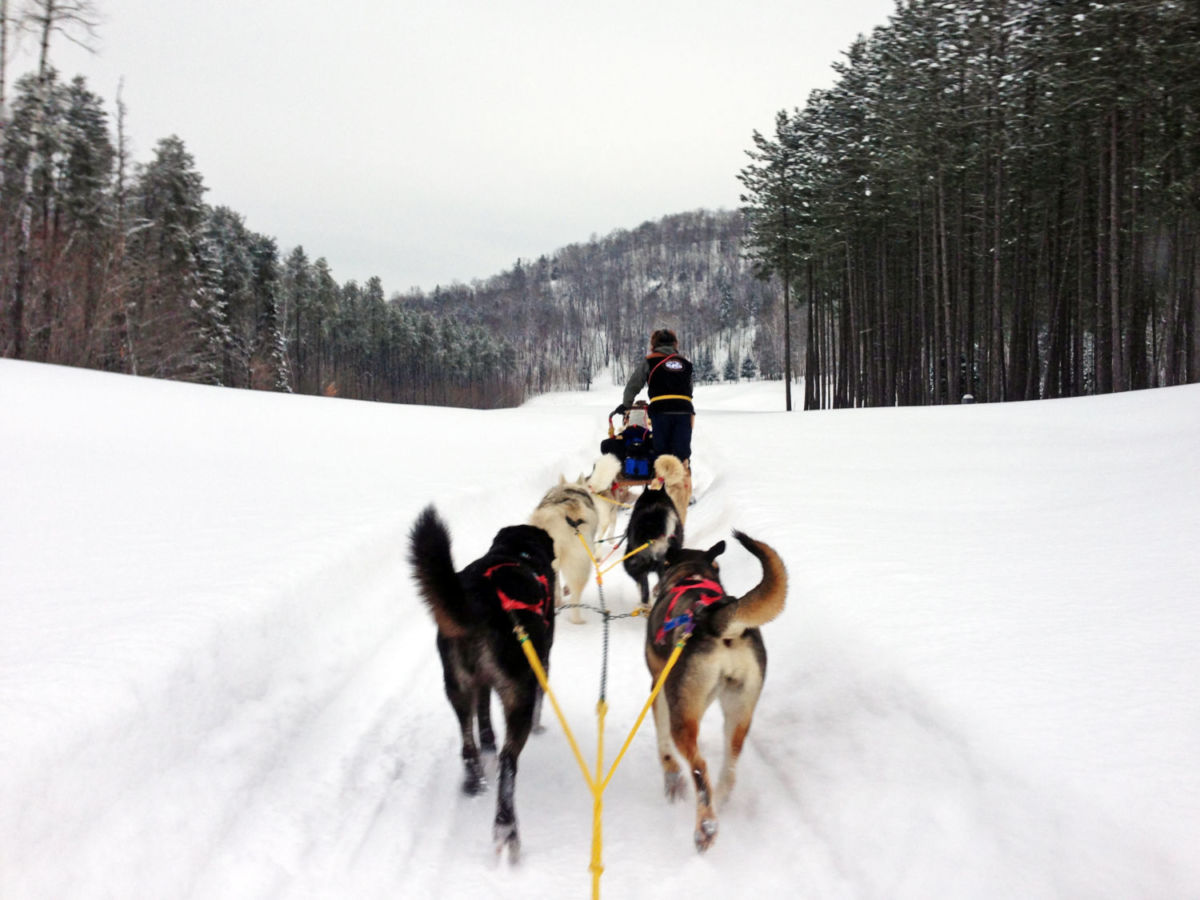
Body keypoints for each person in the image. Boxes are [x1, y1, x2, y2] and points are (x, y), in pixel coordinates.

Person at [613, 328, 694, 466]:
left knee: (661, 450)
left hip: (660, 410)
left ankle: (660, 480)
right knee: (681, 450)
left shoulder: (650, 361)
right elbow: (689, 388)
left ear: (654, 344)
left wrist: (626, 405)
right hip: (684, 409)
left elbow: (633, 385)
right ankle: (682, 476)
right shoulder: (685, 363)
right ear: (675, 344)